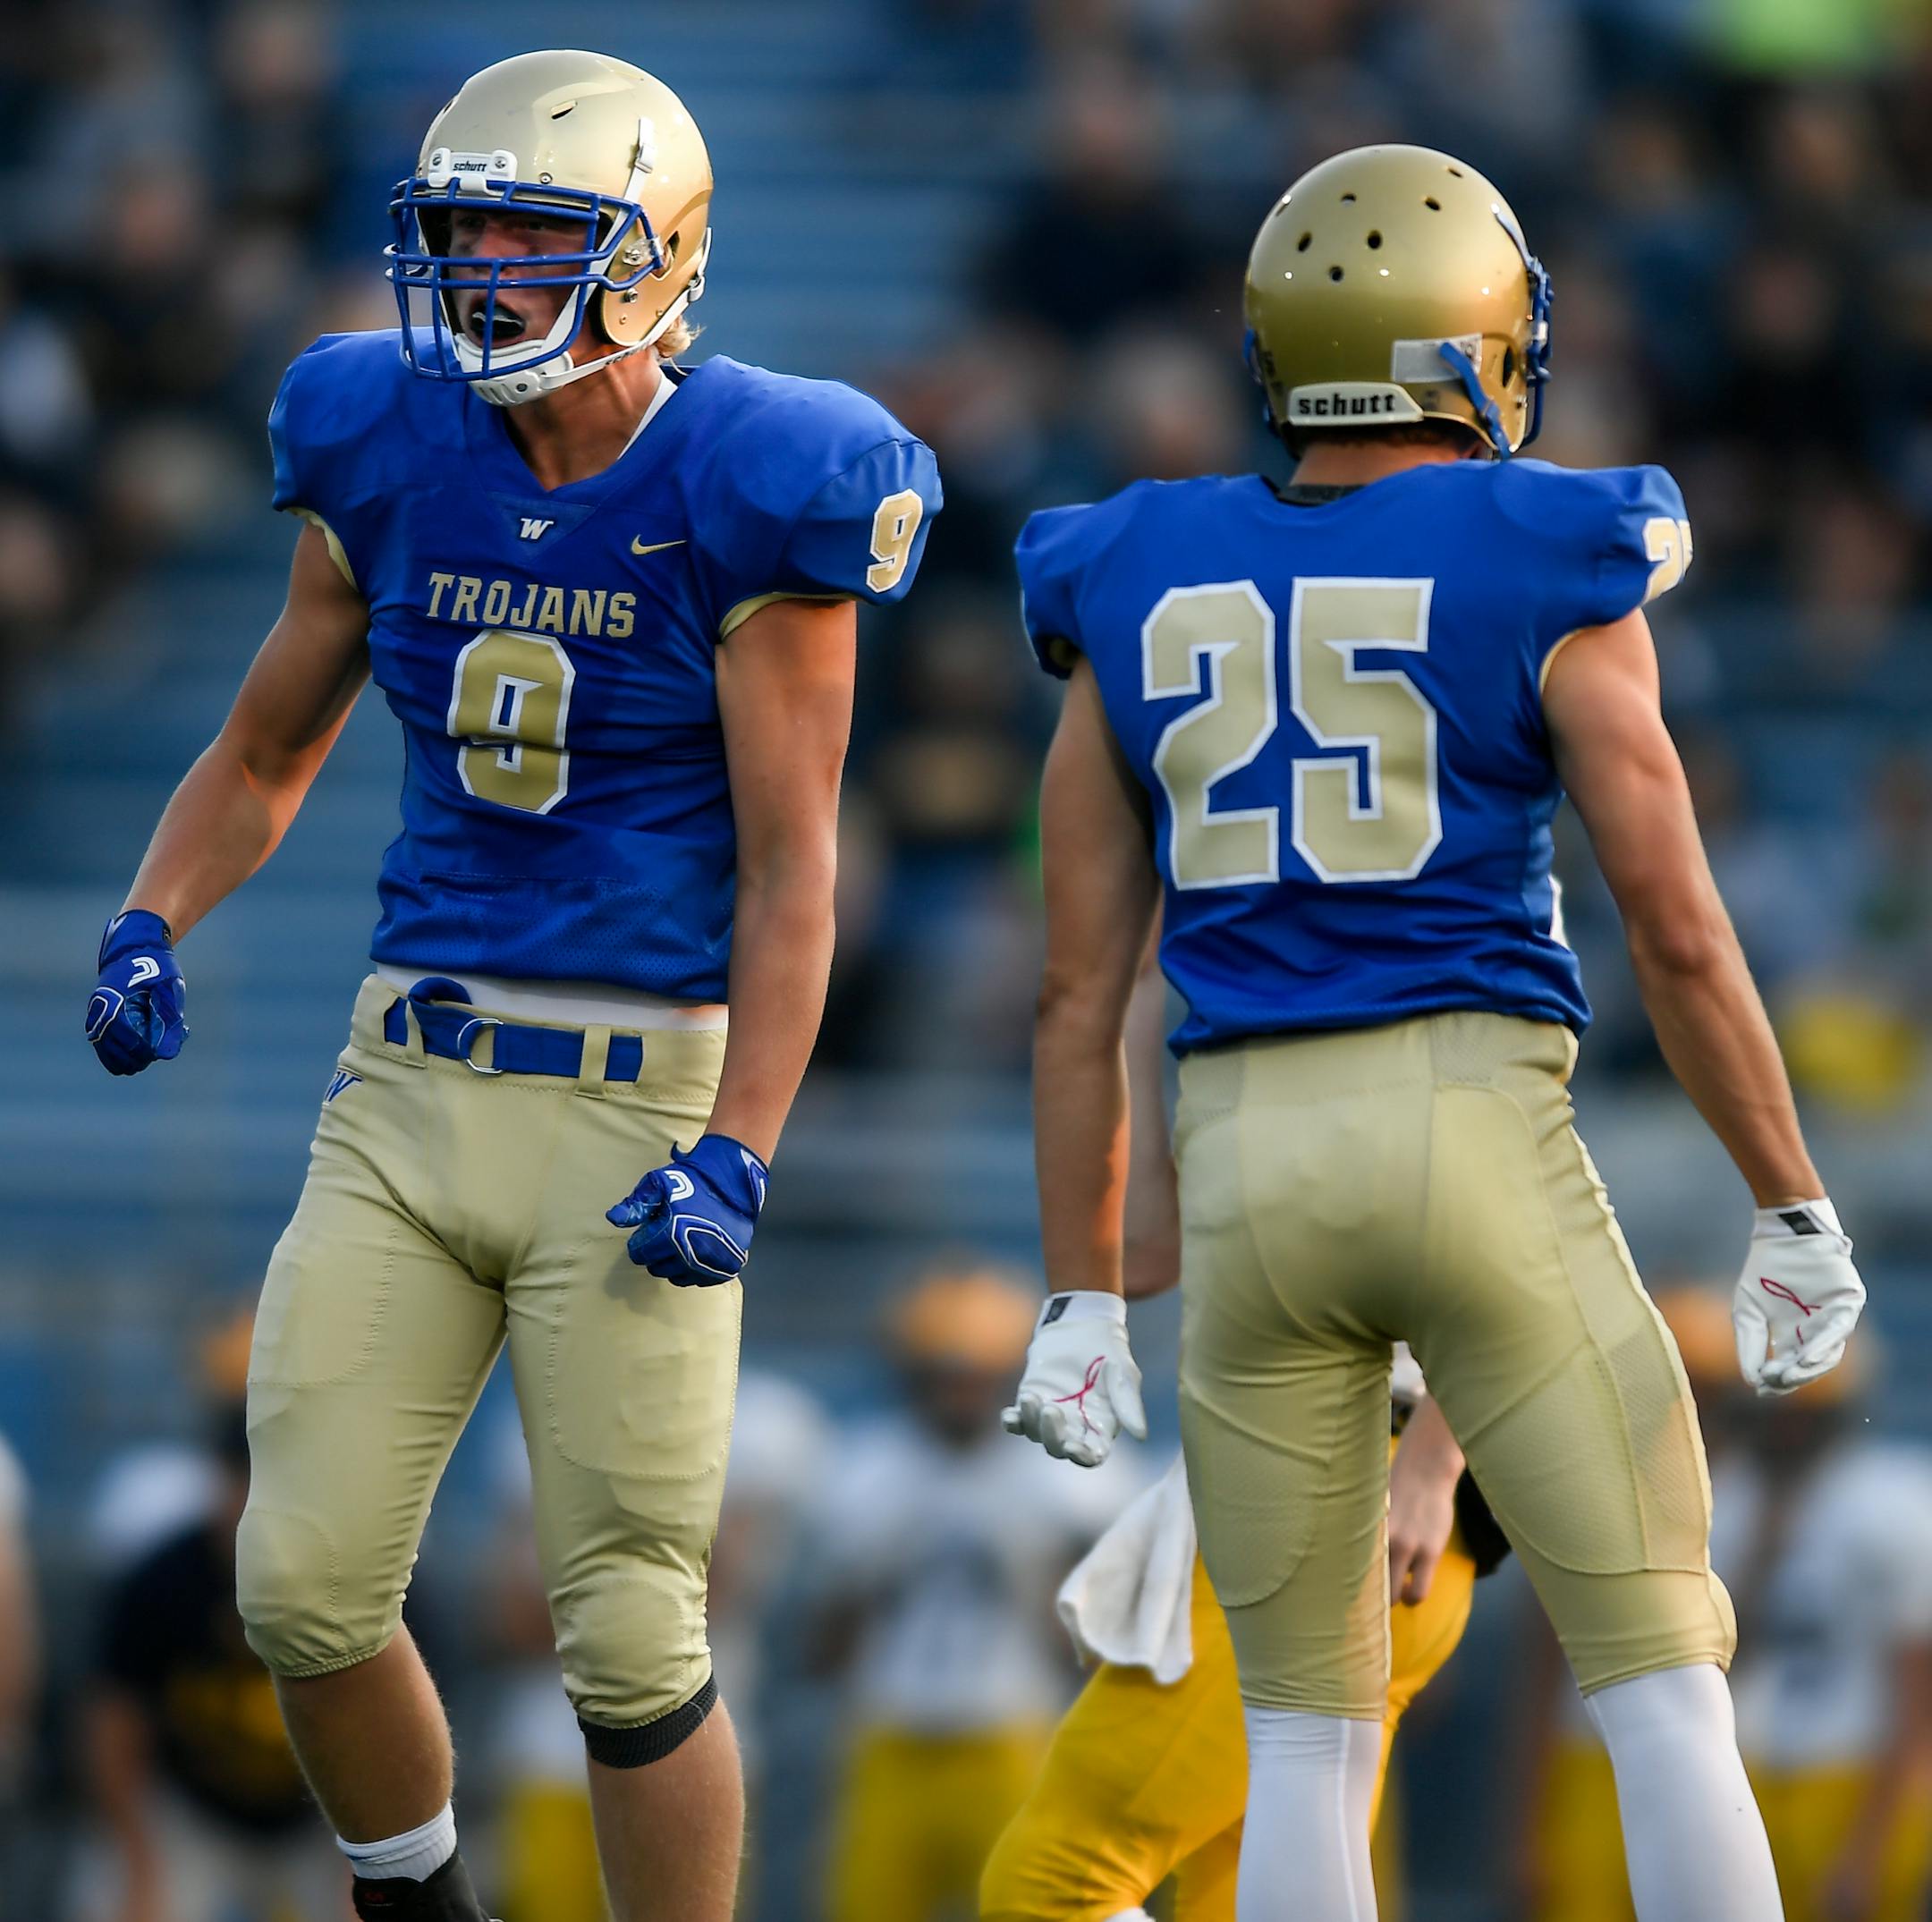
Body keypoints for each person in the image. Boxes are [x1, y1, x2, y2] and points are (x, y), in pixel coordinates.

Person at [82, 49, 939, 1922]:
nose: (480, 266)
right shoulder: (381, 434)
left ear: (655, 257)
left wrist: (741, 1146)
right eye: (462, 227)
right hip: (405, 1079)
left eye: (533, 232)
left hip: (634, 1100)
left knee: (630, 1640)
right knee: (299, 1590)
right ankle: (415, 1896)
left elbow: (799, 866)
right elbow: (262, 750)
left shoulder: (759, 472)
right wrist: (153, 915)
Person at [1000, 141, 1866, 1922]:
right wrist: (1790, 1198)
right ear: (1482, 343)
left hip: (1241, 1166)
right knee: (1659, 1680)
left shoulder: (1133, 560)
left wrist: (1081, 1290)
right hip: (1470, 1121)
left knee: (1309, 1744)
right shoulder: (1547, 543)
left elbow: (1079, 990)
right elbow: (1683, 937)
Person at [982, 937, 1493, 1922]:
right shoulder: (1266, 1022)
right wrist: (1126, 991)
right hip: (1310, 1483)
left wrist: (1431, 1460)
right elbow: (1141, 1249)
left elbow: (1514, 1256)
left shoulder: (1399, 993)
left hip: (1350, 1480)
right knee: (1252, 1900)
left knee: (1052, 1881)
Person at [802, 1264, 1135, 1922]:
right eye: (941, 1377)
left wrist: (1046, 1581)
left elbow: (1100, 1649)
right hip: (888, 1732)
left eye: (975, 1377)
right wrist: (866, 1581)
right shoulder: (866, 1470)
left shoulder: (1060, 1472)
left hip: (1013, 1730)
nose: (958, 1396)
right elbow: (822, 1653)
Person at [79, 1317, 341, 1922]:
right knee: (114, 1895)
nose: (253, 1504)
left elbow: (400, 1735)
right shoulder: (163, 1578)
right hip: (193, 1811)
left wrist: (370, 1867)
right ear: (216, 1480)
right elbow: (114, 1728)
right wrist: (140, 1861)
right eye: (240, 1479)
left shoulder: (354, 1580)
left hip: (321, 1819)